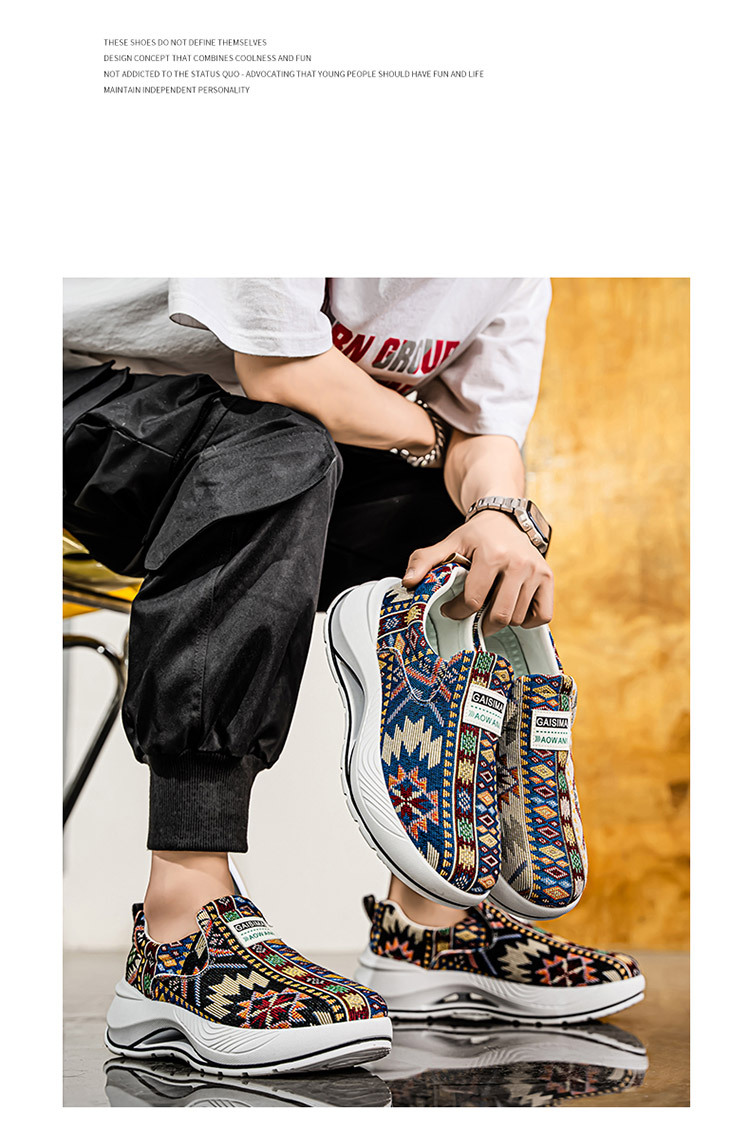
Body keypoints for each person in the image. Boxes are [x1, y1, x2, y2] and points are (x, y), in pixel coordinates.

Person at [63, 278, 643, 1076]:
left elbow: (486, 441)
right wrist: (439, 433)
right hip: (75, 384)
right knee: (278, 449)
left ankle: (430, 921)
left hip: (252, 419)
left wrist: (499, 516)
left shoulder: (514, 266)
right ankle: (177, 929)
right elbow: (283, 374)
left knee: (472, 538)